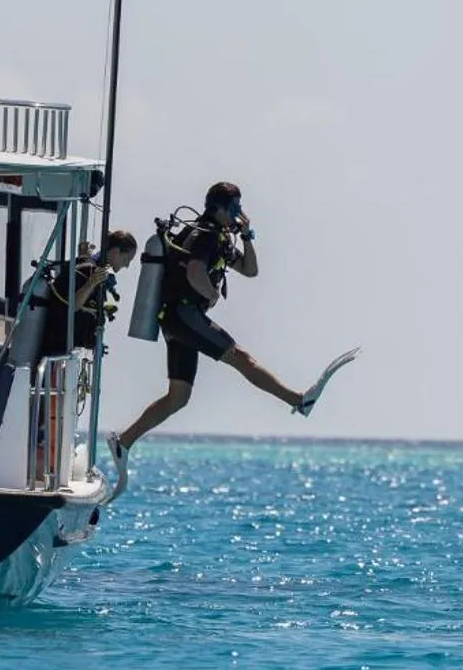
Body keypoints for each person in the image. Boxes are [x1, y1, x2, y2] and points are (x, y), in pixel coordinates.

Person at [106, 183, 318, 475]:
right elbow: (195, 271)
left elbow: (250, 270)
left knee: (178, 396)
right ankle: (299, 400)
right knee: (241, 358)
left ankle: (123, 442)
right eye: (234, 208)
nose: (238, 213)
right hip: (184, 316)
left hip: (174, 319)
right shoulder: (206, 236)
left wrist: (247, 237)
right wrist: (211, 294)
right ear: (217, 208)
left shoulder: (217, 237)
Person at [38, 229, 137, 356]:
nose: (127, 265)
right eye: (126, 259)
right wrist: (91, 283)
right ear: (116, 252)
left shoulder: (93, 268)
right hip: (56, 346)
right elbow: (72, 306)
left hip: (64, 346)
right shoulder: (88, 270)